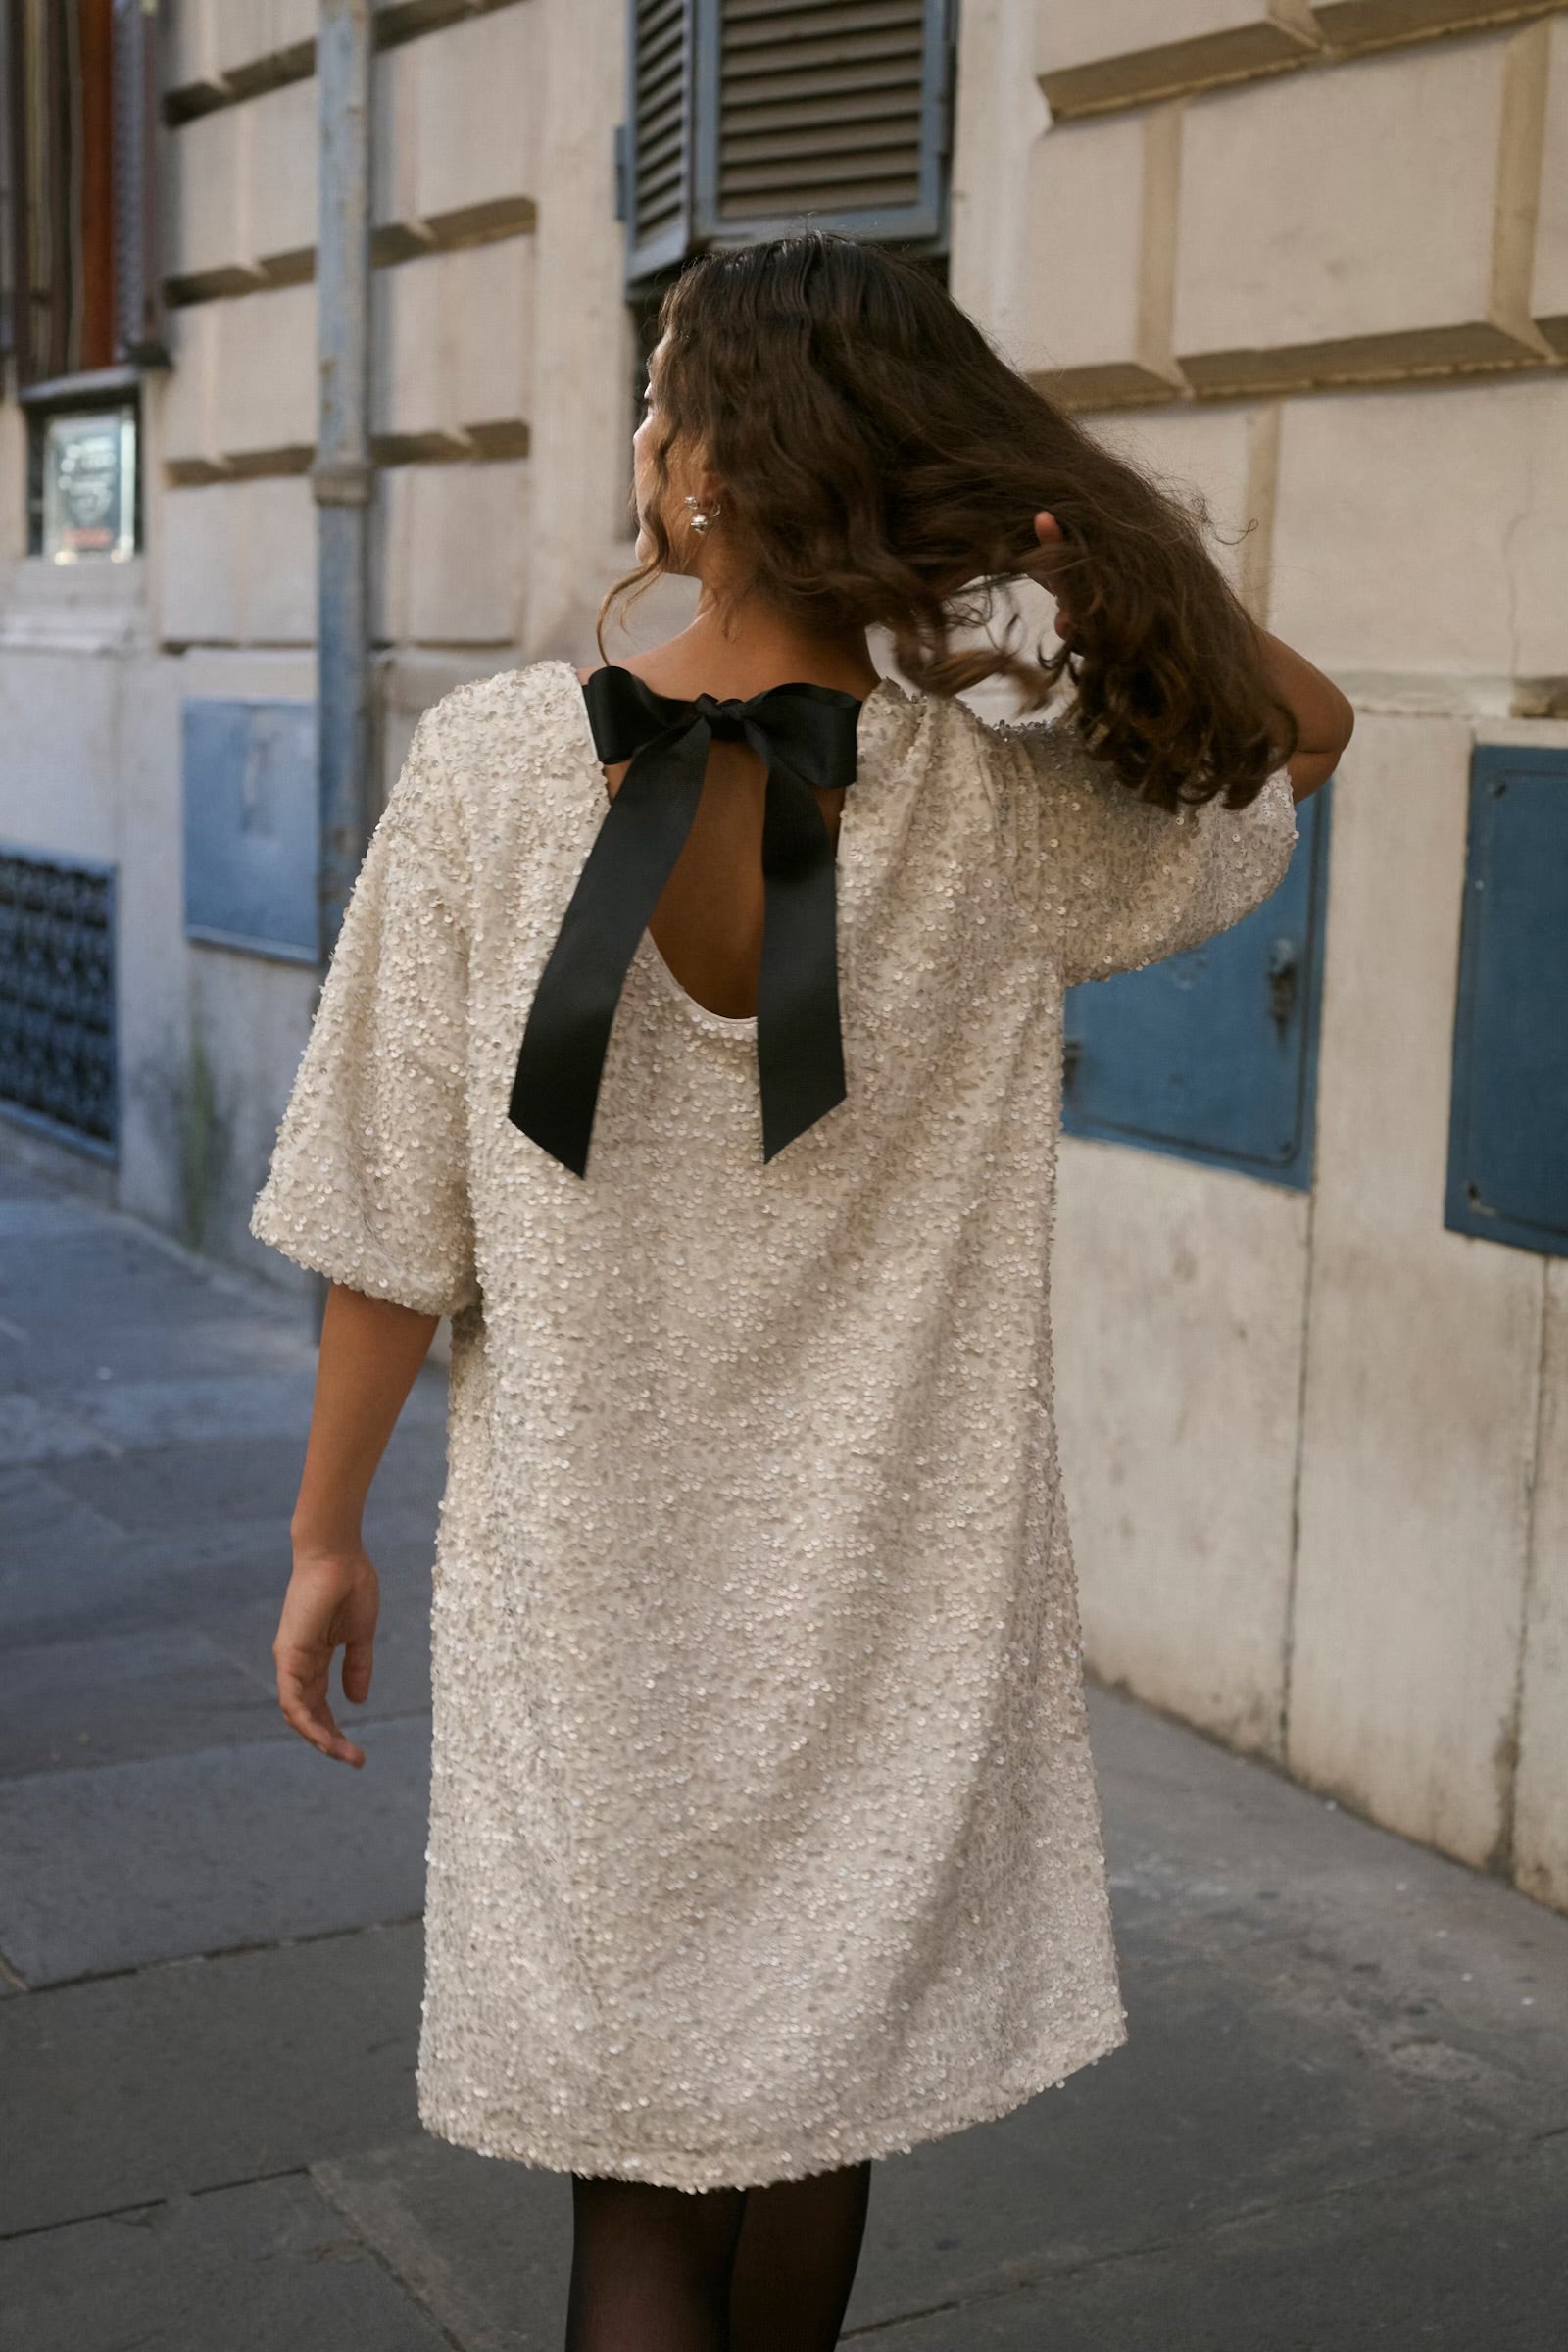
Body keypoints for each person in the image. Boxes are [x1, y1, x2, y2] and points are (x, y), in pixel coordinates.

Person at [250, 231, 1352, 2350]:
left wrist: (321, 1537)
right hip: (885, 1588)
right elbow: (1294, 733)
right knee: (811, 2115)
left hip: (592, 1590)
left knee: (639, 2187)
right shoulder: (991, 817)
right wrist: (1077, 513)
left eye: (665, 398)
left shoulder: (490, 774)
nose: (645, 429)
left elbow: (387, 1215)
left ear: (700, 480)